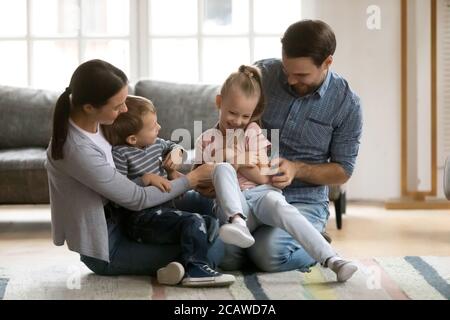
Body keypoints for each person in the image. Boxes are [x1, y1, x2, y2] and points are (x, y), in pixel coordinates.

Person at [203, 20, 363, 275]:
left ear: (327, 63)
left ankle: (314, 243)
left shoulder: (347, 104)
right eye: (287, 69)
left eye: (301, 75)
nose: (289, 79)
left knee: (268, 255)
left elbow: (343, 171)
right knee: (228, 255)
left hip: (303, 200)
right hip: (251, 193)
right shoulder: (263, 74)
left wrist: (297, 169)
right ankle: (290, 238)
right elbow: (229, 124)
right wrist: (219, 165)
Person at [45, 59, 224, 280]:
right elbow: (135, 198)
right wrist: (192, 179)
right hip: (110, 244)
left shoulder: (103, 123)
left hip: (131, 215)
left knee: (209, 208)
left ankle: (195, 255)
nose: (125, 109)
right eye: (117, 105)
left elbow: (140, 163)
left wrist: (161, 166)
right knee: (215, 248)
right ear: (90, 108)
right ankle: (190, 265)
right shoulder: (76, 149)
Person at [101, 95, 235, 286]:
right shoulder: (121, 154)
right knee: (194, 221)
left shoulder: (156, 144)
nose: (159, 128)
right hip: (140, 219)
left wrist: (176, 153)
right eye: (153, 126)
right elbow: (120, 194)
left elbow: (175, 147)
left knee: (210, 223)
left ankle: (178, 267)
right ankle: (196, 271)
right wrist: (145, 179)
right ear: (132, 138)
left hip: (164, 209)